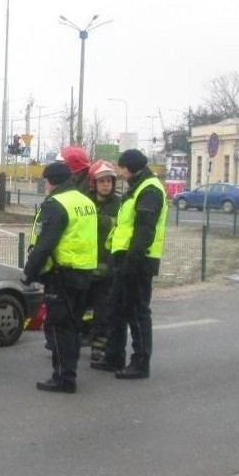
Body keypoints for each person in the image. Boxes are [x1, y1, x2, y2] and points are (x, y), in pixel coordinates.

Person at [91, 149, 167, 380]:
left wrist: (131, 262)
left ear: (130, 167)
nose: (119, 173)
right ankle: (113, 356)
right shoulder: (136, 188)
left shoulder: (150, 190)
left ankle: (140, 363)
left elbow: (144, 231)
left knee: (137, 313)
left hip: (138, 261)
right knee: (115, 309)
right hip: (123, 259)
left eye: (121, 168)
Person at [22, 161, 97, 394]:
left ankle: (64, 377)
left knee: (60, 326)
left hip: (62, 273)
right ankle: (69, 371)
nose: (45, 184)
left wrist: (29, 273)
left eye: (46, 180)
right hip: (85, 271)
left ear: (51, 180)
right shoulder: (86, 202)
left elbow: (45, 243)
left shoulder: (56, 204)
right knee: (74, 325)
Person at [84, 160, 121, 363]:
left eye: (109, 181)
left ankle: (98, 347)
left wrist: (97, 220)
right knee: (81, 309)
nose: (106, 185)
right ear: (94, 183)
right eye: (102, 181)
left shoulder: (119, 204)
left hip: (107, 269)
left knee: (102, 311)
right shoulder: (85, 201)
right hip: (84, 267)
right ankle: (76, 340)